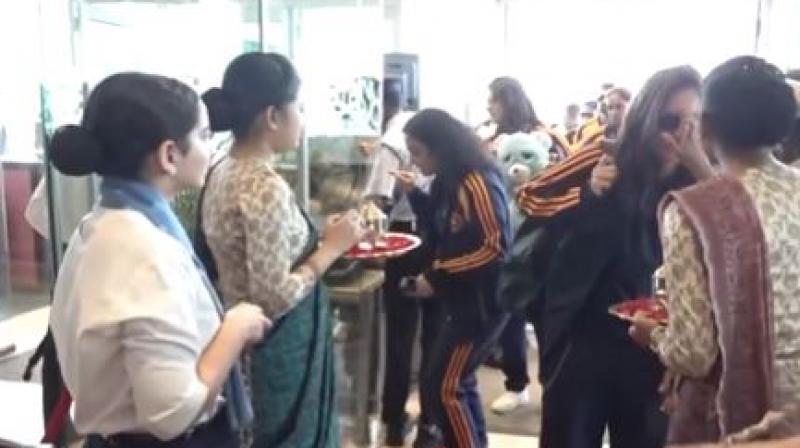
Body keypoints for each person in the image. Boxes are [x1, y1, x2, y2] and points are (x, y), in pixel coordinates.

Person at [47, 72, 269, 448]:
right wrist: (236, 327)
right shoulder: (145, 253)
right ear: (169, 155)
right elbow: (172, 413)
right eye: (202, 135)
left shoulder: (102, 224)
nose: (211, 146)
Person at [529, 66, 712, 448]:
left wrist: (701, 167)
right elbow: (531, 195)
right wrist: (587, 194)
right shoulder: (607, 154)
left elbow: (731, 237)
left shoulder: (704, 178)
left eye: (693, 122)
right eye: (670, 120)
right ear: (647, 116)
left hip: (654, 341)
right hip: (585, 332)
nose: (680, 134)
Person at [629, 56, 800, 444]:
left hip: (735, 415)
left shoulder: (690, 211)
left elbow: (694, 353)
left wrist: (652, 335)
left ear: (704, 126)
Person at [200, 52, 367, 447]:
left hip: (243, 348)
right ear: (273, 116)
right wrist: (331, 248)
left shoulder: (223, 168)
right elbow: (271, 295)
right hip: (273, 354)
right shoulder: (262, 186)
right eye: (300, 107)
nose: (303, 119)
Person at [394, 108, 511, 448]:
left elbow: (495, 248)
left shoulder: (476, 182)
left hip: (483, 303)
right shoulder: (453, 180)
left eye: (417, 152)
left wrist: (438, 275)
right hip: (466, 300)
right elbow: (443, 224)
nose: (414, 162)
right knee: (456, 382)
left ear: (440, 148)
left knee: (443, 387)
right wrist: (415, 193)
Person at [364, 80, 439, 447]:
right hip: (434, 237)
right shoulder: (421, 127)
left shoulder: (393, 138)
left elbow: (378, 196)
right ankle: (430, 421)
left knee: (400, 334)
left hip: (405, 238)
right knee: (433, 334)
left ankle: (393, 417)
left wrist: (373, 243)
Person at [484, 76, 570, 161]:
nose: (488, 107)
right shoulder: (490, 146)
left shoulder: (545, 136)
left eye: (494, 101)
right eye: (489, 102)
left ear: (510, 101)